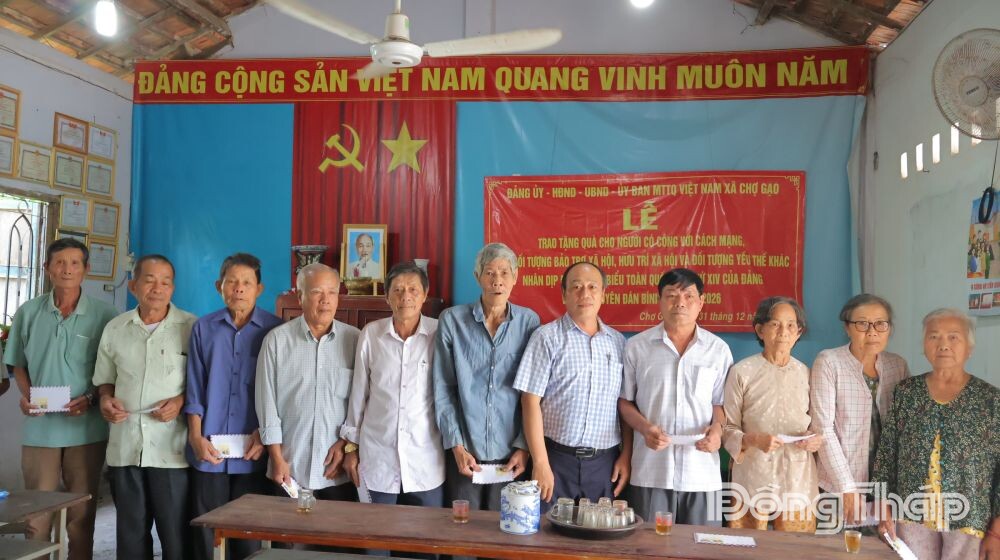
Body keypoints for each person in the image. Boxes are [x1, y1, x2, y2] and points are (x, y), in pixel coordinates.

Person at [3, 238, 117, 560]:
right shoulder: (28, 312)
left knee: (82, 514)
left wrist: (91, 397)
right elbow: (17, 363)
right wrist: (28, 397)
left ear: (86, 269)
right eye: (60, 263)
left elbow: (113, 371)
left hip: (86, 430)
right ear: (47, 268)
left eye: (75, 263)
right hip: (41, 431)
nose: (67, 269)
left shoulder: (106, 315)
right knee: (37, 513)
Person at [94, 254, 197, 560]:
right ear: (133, 286)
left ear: (173, 288)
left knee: (176, 536)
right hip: (126, 446)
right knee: (131, 535)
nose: (157, 288)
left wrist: (180, 401)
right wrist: (105, 399)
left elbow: (204, 384)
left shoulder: (192, 327)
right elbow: (105, 380)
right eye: (149, 280)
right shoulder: (116, 328)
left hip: (172, 450)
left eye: (165, 282)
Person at [875, 308, 1000, 560]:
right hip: (911, 514)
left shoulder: (990, 400)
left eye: (953, 337)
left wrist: (997, 531)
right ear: (924, 345)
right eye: (934, 336)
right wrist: (883, 506)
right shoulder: (907, 393)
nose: (943, 344)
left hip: (969, 518)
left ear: (969, 347)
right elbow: (887, 454)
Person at [185, 253, 282, 560]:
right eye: (232, 282)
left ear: (259, 289)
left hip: (254, 451)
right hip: (209, 451)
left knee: (249, 536)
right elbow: (195, 387)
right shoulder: (203, 328)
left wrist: (264, 434)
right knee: (208, 534)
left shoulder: (275, 331)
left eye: (246, 283)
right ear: (219, 286)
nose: (239, 288)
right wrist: (195, 437)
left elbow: (280, 393)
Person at [513, 261, 631, 512]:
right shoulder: (546, 337)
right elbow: (529, 401)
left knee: (597, 534)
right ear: (564, 294)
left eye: (592, 287)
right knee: (547, 532)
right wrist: (541, 463)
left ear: (603, 294)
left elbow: (624, 405)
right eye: (576, 287)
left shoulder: (618, 343)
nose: (585, 294)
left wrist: (626, 455)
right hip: (555, 461)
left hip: (605, 465)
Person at [433, 243, 539, 518]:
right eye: (490, 272)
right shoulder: (452, 321)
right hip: (465, 454)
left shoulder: (529, 322)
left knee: (506, 529)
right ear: (477, 276)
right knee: (462, 528)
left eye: (504, 272)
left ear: (515, 277)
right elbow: (443, 388)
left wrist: (524, 447)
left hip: (512, 456)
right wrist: (456, 445)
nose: (497, 281)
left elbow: (533, 394)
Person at [618, 268, 731, 526]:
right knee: (648, 544)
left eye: (688, 296)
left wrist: (717, 431)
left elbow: (720, 404)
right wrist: (645, 428)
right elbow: (625, 401)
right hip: (651, 470)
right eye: (671, 295)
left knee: (704, 544)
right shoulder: (637, 346)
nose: (680, 303)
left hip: (702, 472)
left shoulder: (718, 350)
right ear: (660, 301)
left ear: (701, 302)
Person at [342, 261, 443, 512]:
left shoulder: (439, 333)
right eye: (397, 290)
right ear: (387, 297)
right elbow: (358, 395)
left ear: (425, 294)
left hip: (425, 462)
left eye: (413, 289)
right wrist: (351, 447)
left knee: (426, 535)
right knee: (376, 533)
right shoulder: (371, 334)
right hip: (378, 461)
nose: (405, 296)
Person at [255, 263, 359, 503]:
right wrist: (276, 457)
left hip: (337, 471)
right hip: (290, 468)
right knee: (286, 529)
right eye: (316, 292)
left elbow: (363, 403)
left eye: (332, 292)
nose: (325, 300)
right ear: (299, 297)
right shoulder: (276, 342)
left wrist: (347, 445)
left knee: (336, 528)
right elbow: (266, 405)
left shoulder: (355, 340)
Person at [723, 296, 822, 532]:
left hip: (797, 479)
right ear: (760, 330)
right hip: (753, 477)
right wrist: (752, 439)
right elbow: (727, 428)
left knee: (795, 547)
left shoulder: (807, 374)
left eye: (791, 326)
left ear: (798, 332)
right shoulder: (742, 372)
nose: (783, 332)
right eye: (775, 324)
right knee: (747, 546)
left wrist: (814, 440)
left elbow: (818, 426)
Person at [810, 294, 909, 528]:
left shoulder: (897, 365)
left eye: (880, 324)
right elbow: (823, 429)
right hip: (839, 483)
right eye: (862, 324)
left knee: (883, 545)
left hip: (885, 487)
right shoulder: (829, 361)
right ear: (847, 327)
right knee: (840, 545)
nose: (872, 332)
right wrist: (847, 488)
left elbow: (904, 429)